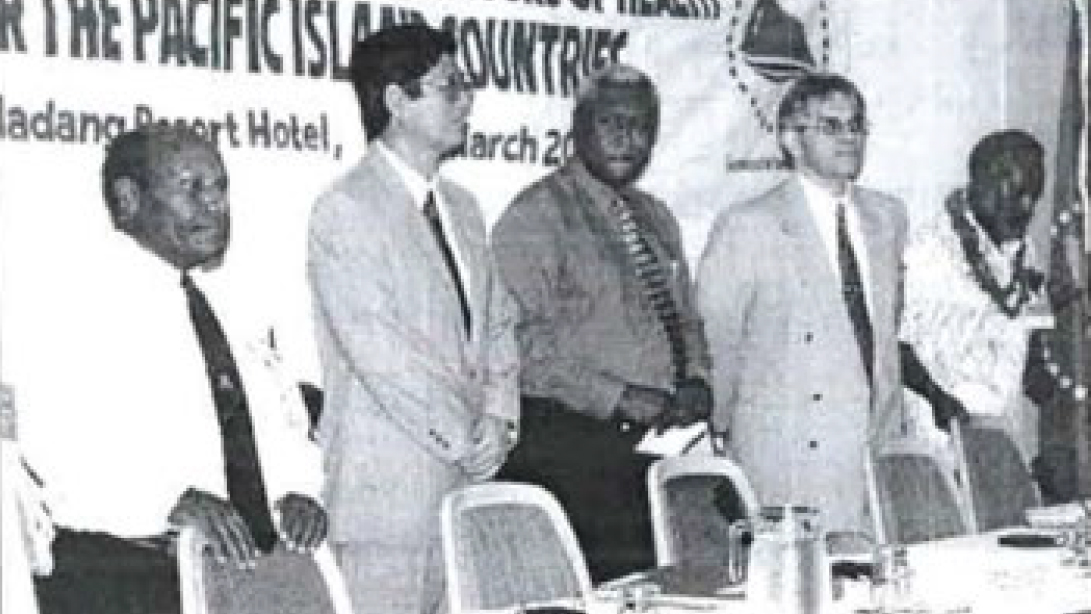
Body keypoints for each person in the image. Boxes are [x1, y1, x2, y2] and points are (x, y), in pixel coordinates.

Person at [22, 125, 328, 614]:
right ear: (128, 199)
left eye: (221, 187)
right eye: (192, 188)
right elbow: (54, 451)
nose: (216, 204)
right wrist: (166, 501)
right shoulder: (75, 303)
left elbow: (285, 421)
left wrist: (296, 491)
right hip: (126, 580)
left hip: (237, 579)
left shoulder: (229, 300)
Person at [307, 24, 520, 614]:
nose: (467, 101)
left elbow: (499, 324)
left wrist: (501, 419)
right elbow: (382, 355)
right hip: (386, 507)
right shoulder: (346, 209)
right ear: (397, 101)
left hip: (468, 491)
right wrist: (465, 437)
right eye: (449, 87)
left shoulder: (464, 208)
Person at [492, 64, 712, 581]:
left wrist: (697, 379)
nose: (625, 137)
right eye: (610, 122)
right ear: (578, 126)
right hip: (575, 455)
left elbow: (687, 320)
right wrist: (617, 396)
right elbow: (516, 345)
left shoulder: (656, 217)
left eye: (639, 126)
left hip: (655, 455)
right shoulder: (536, 216)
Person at [697, 73, 907, 535]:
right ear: (791, 140)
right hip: (787, 459)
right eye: (831, 126)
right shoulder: (749, 225)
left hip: (872, 455)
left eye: (856, 125)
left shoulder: (887, 217)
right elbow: (717, 346)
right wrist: (725, 438)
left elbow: (884, 336)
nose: (849, 137)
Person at [900, 130, 1054, 462]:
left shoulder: (1024, 251)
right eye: (1017, 193)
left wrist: (1040, 371)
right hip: (941, 438)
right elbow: (895, 346)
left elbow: (1029, 325)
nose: (1027, 207)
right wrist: (939, 400)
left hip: (1003, 432)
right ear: (981, 182)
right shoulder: (929, 250)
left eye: (1034, 195)